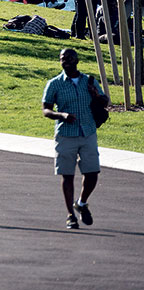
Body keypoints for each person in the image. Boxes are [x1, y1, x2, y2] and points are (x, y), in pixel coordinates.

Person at [43, 48, 107, 229]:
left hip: (88, 131)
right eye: (63, 58)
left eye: (70, 58)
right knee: (67, 175)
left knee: (92, 173)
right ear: (60, 61)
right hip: (66, 134)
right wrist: (61, 115)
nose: (67, 61)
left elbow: (105, 101)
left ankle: (81, 203)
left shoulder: (89, 81)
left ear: (77, 60)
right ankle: (70, 215)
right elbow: (46, 110)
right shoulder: (54, 84)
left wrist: (96, 94)